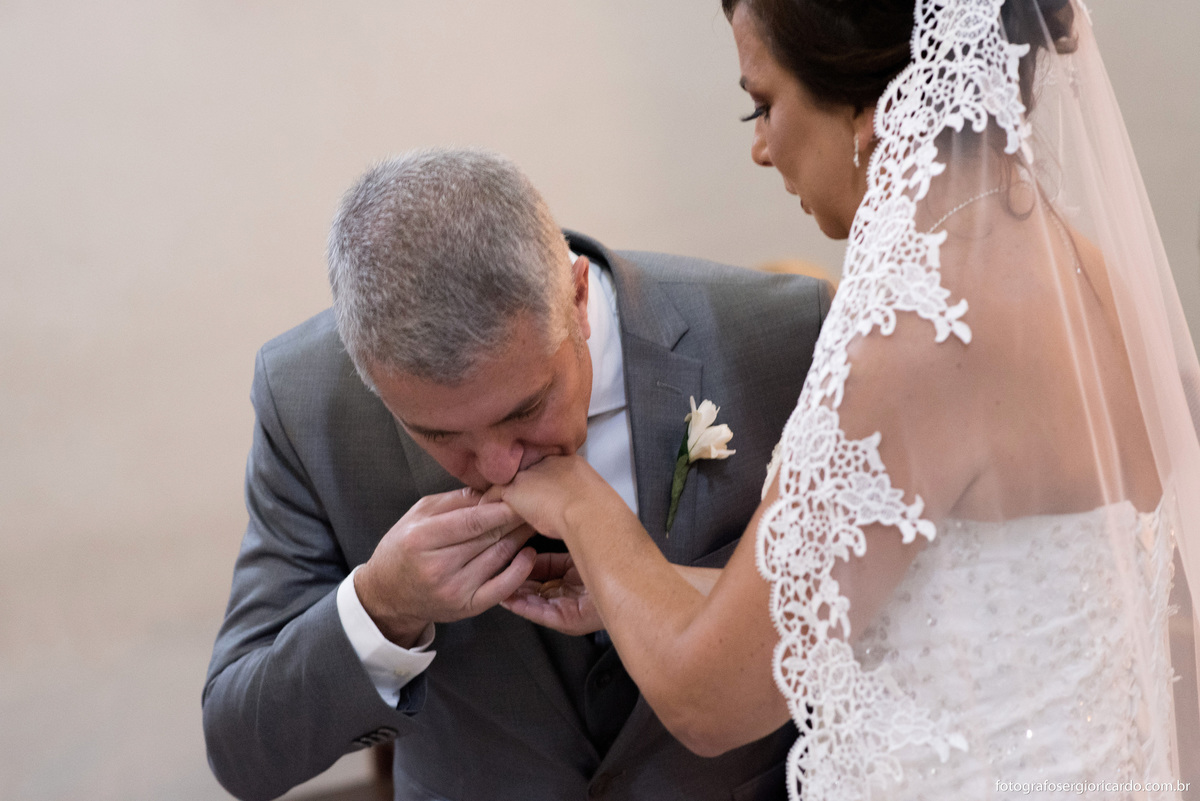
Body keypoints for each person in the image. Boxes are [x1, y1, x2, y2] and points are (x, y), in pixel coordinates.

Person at [496, 1, 1200, 798]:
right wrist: (637, 592)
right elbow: (913, 595)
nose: (760, 148)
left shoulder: (918, 328)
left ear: (871, 107)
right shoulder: (1085, 271)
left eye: (762, 104)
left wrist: (580, 506)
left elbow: (709, 698)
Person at [202, 147, 831, 800]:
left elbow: (881, 635)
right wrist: (384, 607)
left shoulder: (788, 340)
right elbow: (243, 753)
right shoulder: (308, 403)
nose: (501, 466)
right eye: (440, 434)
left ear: (579, 298)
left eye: (527, 408)